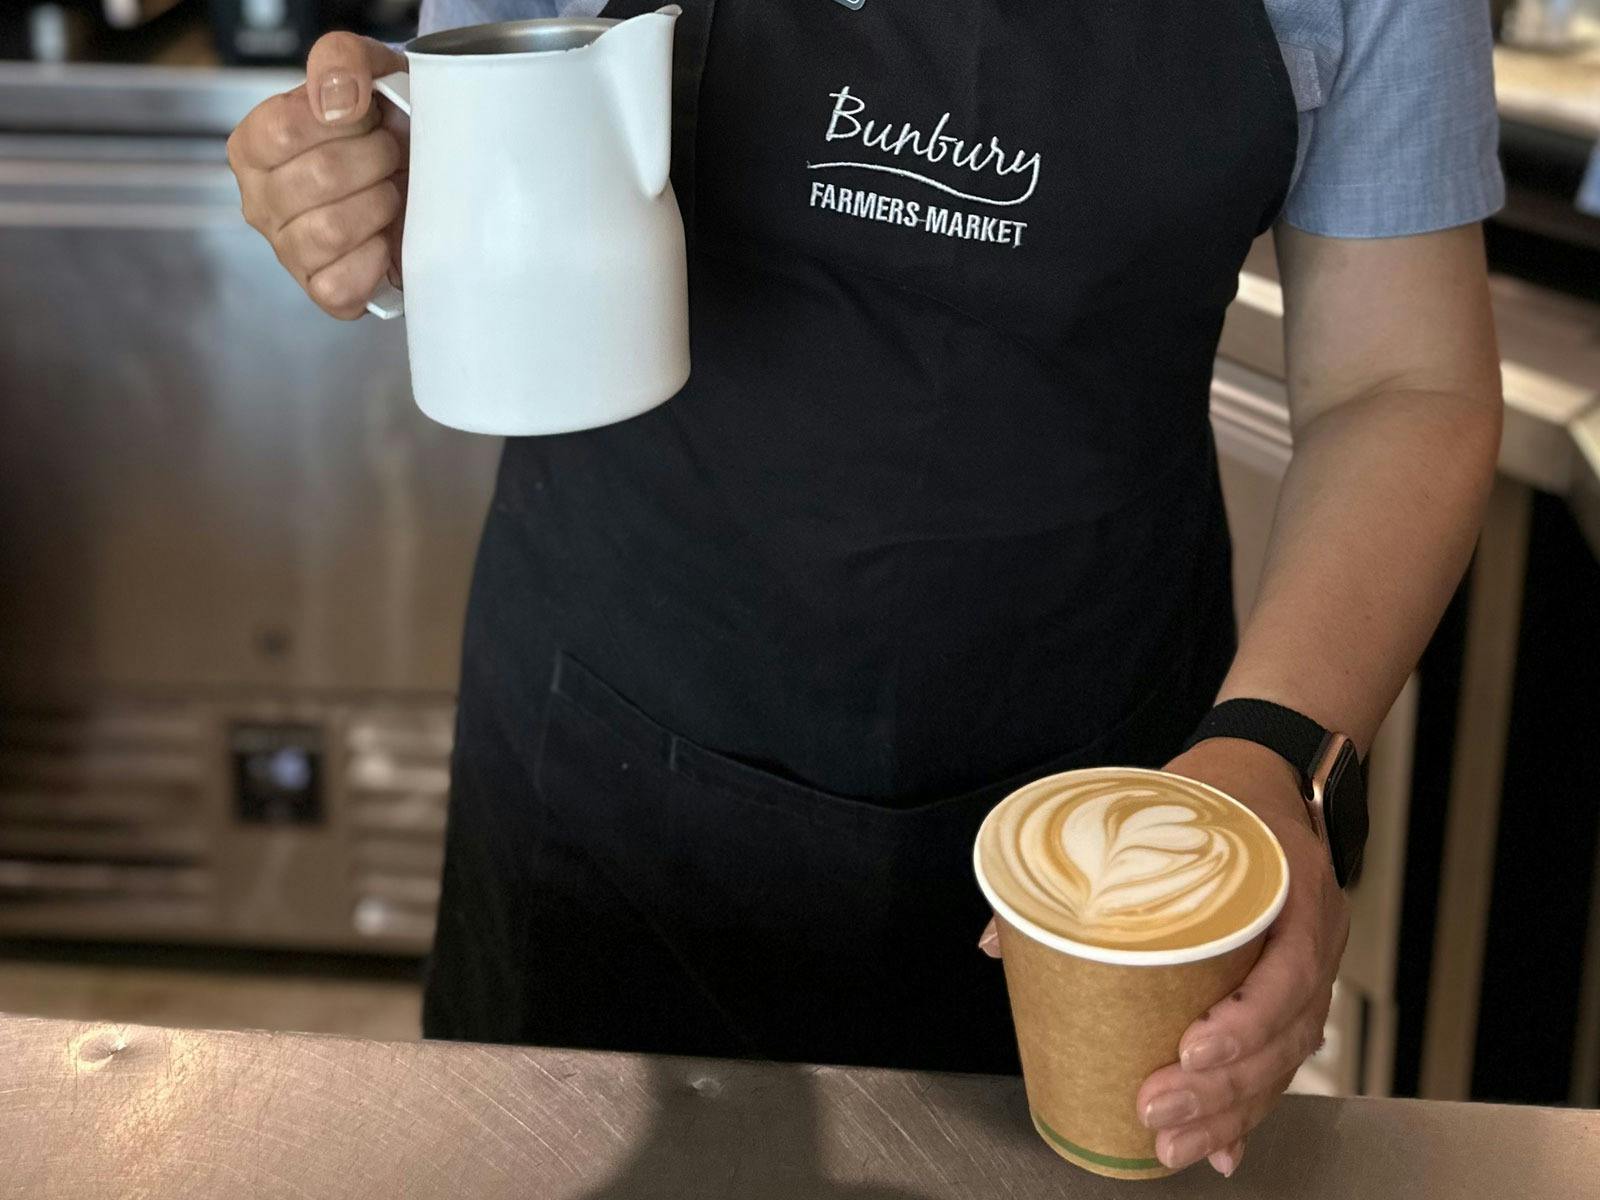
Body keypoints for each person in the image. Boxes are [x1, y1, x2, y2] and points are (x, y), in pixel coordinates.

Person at [226, 0, 1505, 1178]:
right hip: (610, 768)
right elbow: (471, 143)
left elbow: (1402, 383)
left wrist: (1276, 754)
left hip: (1115, 810)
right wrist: (369, 196)